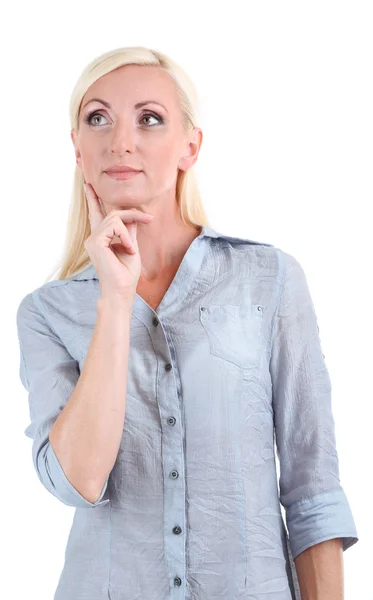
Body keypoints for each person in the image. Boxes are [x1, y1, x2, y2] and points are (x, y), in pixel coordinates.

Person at [15, 45, 358, 600]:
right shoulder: (47, 313)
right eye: (97, 118)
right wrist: (115, 300)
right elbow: (79, 480)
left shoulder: (268, 279)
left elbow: (311, 485)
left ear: (190, 147)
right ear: (77, 148)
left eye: (149, 119)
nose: (121, 141)